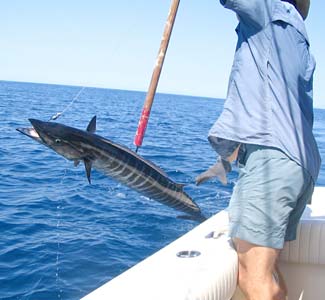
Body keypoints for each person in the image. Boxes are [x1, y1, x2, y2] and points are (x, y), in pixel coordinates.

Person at [208, 0, 321, 299]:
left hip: (273, 159)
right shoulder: (298, 32)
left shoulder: (269, 10)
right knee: (268, 273)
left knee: (253, 277)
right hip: (301, 162)